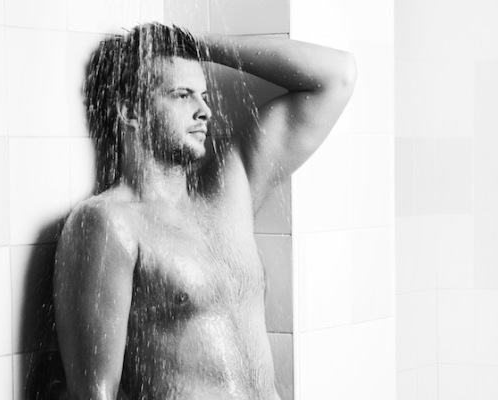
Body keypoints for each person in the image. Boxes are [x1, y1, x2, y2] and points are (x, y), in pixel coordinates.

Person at [53, 23, 356, 400]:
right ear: (130, 111)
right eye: (182, 95)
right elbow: (93, 394)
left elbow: (337, 76)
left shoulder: (229, 191)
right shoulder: (108, 222)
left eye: (204, 95)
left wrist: (198, 46)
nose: (205, 111)